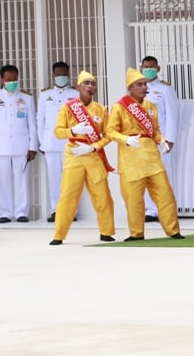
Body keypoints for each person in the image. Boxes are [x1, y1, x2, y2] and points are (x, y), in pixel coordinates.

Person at [105, 67, 182, 241]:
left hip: (152, 158)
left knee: (165, 195)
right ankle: (136, 233)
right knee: (134, 199)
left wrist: (161, 140)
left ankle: (173, 230)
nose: (144, 87)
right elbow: (110, 131)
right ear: (130, 87)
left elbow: (155, 130)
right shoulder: (119, 107)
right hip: (130, 159)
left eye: (145, 84)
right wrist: (125, 139)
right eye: (139, 84)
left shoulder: (151, 106)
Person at [48, 71, 115, 246]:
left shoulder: (101, 109)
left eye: (93, 83)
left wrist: (93, 146)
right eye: (86, 83)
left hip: (92, 154)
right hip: (74, 154)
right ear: (78, 87)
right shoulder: (68, 107)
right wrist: (73, 131)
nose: (90, 87)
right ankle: (59, 235)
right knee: (68, 195)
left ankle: (106, 232)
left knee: (103, 196)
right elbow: (57, 132)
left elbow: (108, 135)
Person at [0, 64, 38, 223]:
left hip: (22, 146)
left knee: (22, 180)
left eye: (14, 79)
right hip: (1, 147)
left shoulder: (27, 98)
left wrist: (32, 146)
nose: (12, 82)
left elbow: (32, 124)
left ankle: (21, 212)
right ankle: (5, 213)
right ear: (2, 79)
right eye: (8, 79)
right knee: (3, 181)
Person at [140, 56, 180, 223]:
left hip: (161, 138)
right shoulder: (137, 88)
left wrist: (170, 139)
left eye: (151, 66)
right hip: (143, 140)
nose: (148, 69)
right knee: (146, 174)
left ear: (158, 68)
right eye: (145, 66)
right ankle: (150, 209)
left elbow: (172, 115)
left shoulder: (165, 89)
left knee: (164, 174)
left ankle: (165, 208)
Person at [36, 61, 73, 222]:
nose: (61, 77)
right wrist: (42, 142)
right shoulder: (45, 95)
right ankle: (56, 210)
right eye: (58, 74)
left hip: (69, 143)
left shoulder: (75, 95)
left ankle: (71, 211)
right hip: (50, 143)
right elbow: (40, 120)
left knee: (70, 179)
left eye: (64, 74)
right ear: (53, 75)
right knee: (54, 179)